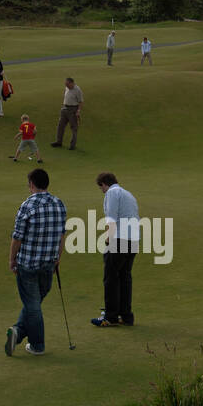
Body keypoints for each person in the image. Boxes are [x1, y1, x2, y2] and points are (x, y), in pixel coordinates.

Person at [6, 168, 67, 357]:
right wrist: (58, 256)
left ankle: (36, 344)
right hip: (49, 263)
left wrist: (12, 259)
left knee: (32, 305)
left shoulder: (27, 205)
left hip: (29, 264)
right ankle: (18, 332)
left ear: (32, 184)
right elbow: (61, 234)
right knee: (34, 302)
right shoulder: (59, 203)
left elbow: (17, 238)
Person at [92, 172, 139, 327]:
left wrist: (108, 238)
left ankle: (110, 316)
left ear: (104, 184)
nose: (102, 191)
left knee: (111, 277)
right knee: (124, 277)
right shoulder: (128, 194)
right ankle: (126, 316)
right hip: (133, 239)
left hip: (119, 239)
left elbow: (111, 218)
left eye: (101, 188)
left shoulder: (112, 193)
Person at [52, 77, 84, 149]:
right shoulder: (67, 88)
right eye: (65, 84)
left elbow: (81, 101)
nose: (66, 86)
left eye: (67, 84)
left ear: (72, 83)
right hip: (64, 108)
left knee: (73, 127)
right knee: (60, 126)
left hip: (73, 109)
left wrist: (78, 111)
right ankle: (59, 142)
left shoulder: (77, 90)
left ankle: (72, 145)